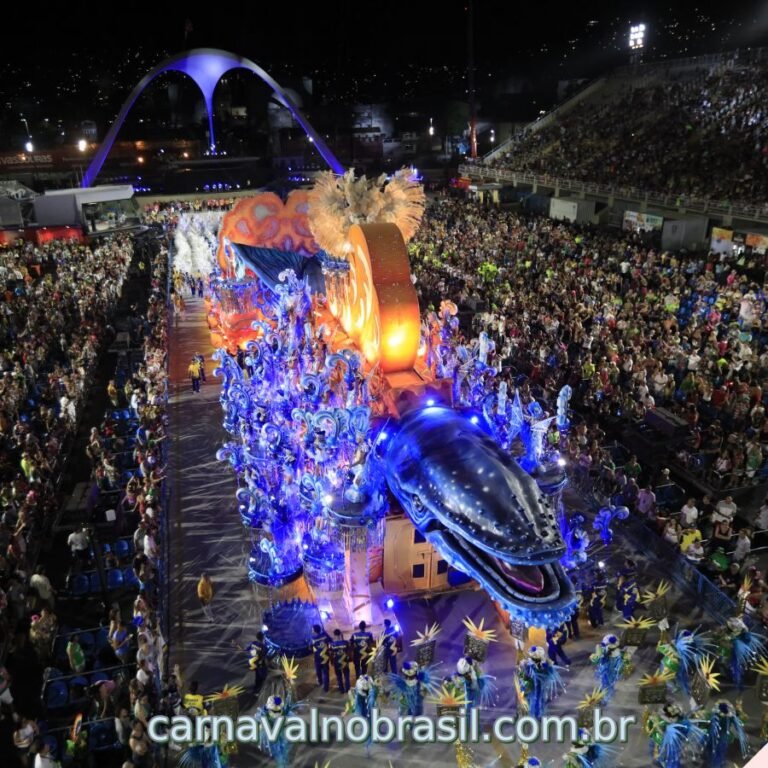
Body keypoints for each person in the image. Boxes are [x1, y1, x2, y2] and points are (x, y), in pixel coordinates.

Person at [310, 624, 331, 693]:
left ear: (315, 630)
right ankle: (326, 688)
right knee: (326, 673)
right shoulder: (324, 635)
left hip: (318, 658)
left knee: (319, 672)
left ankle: (320, 682)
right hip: (325, 657)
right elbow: (331, 640)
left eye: (312, 629)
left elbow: (310, 648)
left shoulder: (313, 639)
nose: (311, 630)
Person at [331, 628, 351, 693]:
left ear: (334, 635)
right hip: (345, 662)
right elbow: (349, 651)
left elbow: (331, 654)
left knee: (339, 677)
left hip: (336, 663)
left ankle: (341, 690)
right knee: (346, 676)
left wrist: (332, 662)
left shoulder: (332, 644)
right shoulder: (346, 642)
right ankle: (348, 689)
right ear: (340, 634)